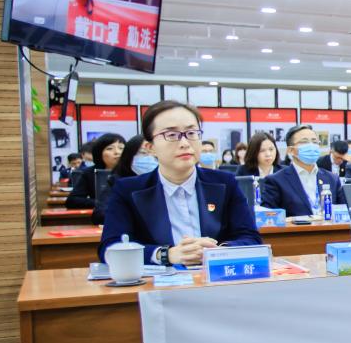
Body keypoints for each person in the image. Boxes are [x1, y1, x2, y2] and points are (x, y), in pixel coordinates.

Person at [98, 100, 261, 265]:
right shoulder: (128, 190)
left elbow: (251, 238)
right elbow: (110, 248)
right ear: (150, 147)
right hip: (159, 279)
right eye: (171, 135)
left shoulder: (225, 183)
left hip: (215, 276)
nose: (184, 143)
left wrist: (218, 252)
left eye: (191, 133)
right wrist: (166, 254)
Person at [260, 125, 345, 218]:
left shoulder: (332, 179)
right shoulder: (276, 181)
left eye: (315, 142)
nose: (311, 146)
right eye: (304, 142)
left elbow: (345, 214)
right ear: (291, 150)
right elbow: (267, 218)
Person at [90, 135, 155, 225]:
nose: (150, 158)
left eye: (155, 154)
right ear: (129, 156)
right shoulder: (119, 181)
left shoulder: (169, 182)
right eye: (143, 153)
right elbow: (100, 214)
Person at [66, 132, 125, 210]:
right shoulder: (90, 173)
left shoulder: (131, 171)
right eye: (110, 148)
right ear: (99, 153)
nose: (117, 152)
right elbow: (72, 201)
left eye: (121, 148)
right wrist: (99, 203)